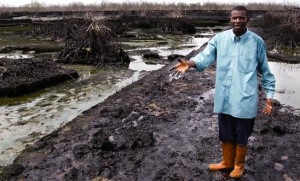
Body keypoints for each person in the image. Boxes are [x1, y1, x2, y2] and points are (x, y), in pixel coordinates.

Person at [173, 6, 275, 179]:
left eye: (241, 18)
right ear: (230, 19)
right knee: (226, 133)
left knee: (241, 135)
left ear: (247, 19)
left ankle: (239, 166)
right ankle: (227, 162)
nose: (237, 21)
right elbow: (205, 56)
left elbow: (265, 71)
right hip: (224, 97)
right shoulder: (220, 39)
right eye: (234, 18)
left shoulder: (257, 42)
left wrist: (269, 97)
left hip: (245, 98)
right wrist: (189, 63)